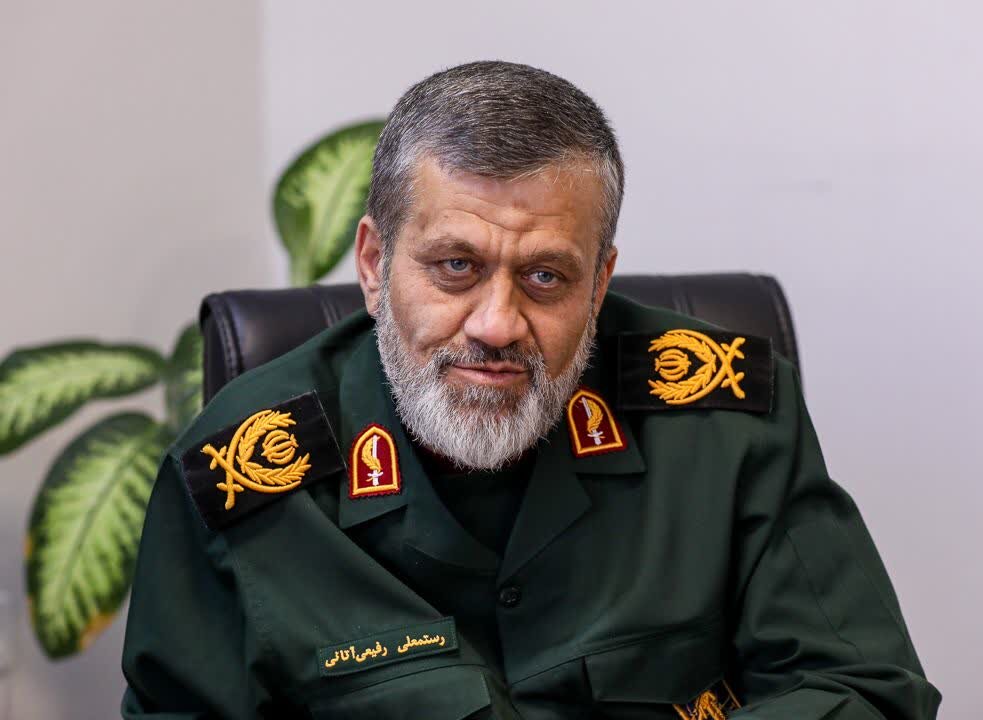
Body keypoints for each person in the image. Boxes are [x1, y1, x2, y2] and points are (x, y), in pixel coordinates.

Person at [121, 61, 940, 719]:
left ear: (600, 283)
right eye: (456, 266)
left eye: (546, 276)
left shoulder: (726, 423)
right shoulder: (241, 477)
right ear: (374, 265)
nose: (497, 324)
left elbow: (864, 690)